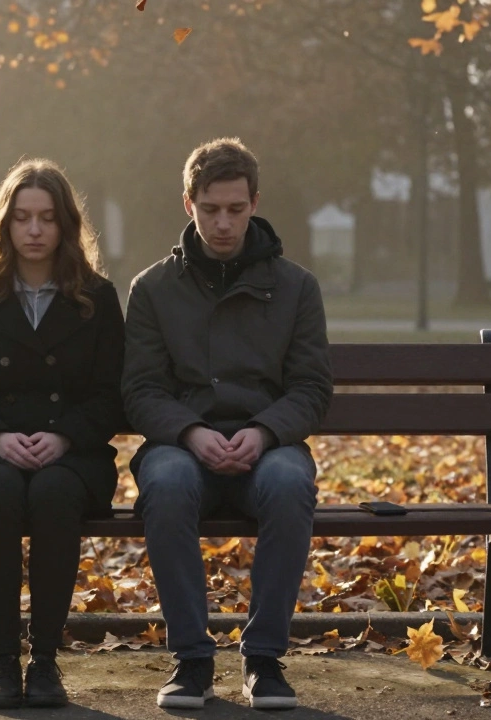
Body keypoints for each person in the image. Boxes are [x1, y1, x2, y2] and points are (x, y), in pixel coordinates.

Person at [121, 138, 333, 710]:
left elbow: (312, 388)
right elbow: (139, 389)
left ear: (255, 203)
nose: (223, 223)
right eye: (210, 208)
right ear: (187, 204)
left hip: (270, 444)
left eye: (236, 210)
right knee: (163, 486)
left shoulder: (295, 287)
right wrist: (191, 431)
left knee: (291, 485)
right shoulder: (153, 288)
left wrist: (263, 432)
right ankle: (191, 661)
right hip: (180, 444)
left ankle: (263, 659)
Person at [0, 158, 125, 708]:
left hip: (75, 453)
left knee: (54, 492)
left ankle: (43, 662)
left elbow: (112, 394)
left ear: (65, 224)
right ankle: (2, 661)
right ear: (5, 225)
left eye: (46, 218)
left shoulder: (97, 297)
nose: (35, 230)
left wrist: (63, 437)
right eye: (22, 218)